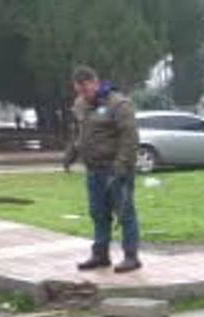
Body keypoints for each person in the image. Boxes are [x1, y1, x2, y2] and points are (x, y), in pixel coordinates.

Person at [62, 66, 142, 273]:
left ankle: (131, 256)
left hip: (115, 170)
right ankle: (100, 255)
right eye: (79, 91)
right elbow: (78, 133)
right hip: (94, 170)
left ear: (95, 83)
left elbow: (130, 138)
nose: (83, 95)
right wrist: (70, 154)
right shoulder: (80, 105)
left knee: (125, 213)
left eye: (86, 90)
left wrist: (121, 166)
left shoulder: (119, 104)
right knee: (98, 213)